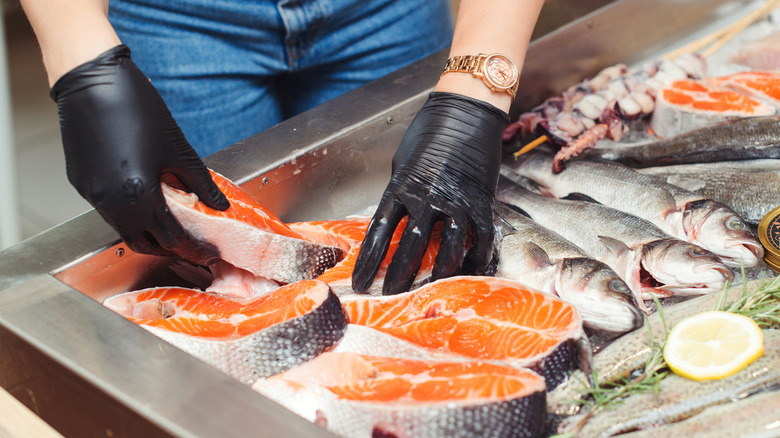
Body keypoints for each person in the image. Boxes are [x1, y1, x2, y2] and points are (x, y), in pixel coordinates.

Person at [20, 0, 544, 293]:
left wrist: (478, 90)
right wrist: (80, 57)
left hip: (387, 12)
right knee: (217, 274)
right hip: (174, 20)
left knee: (416, 252)